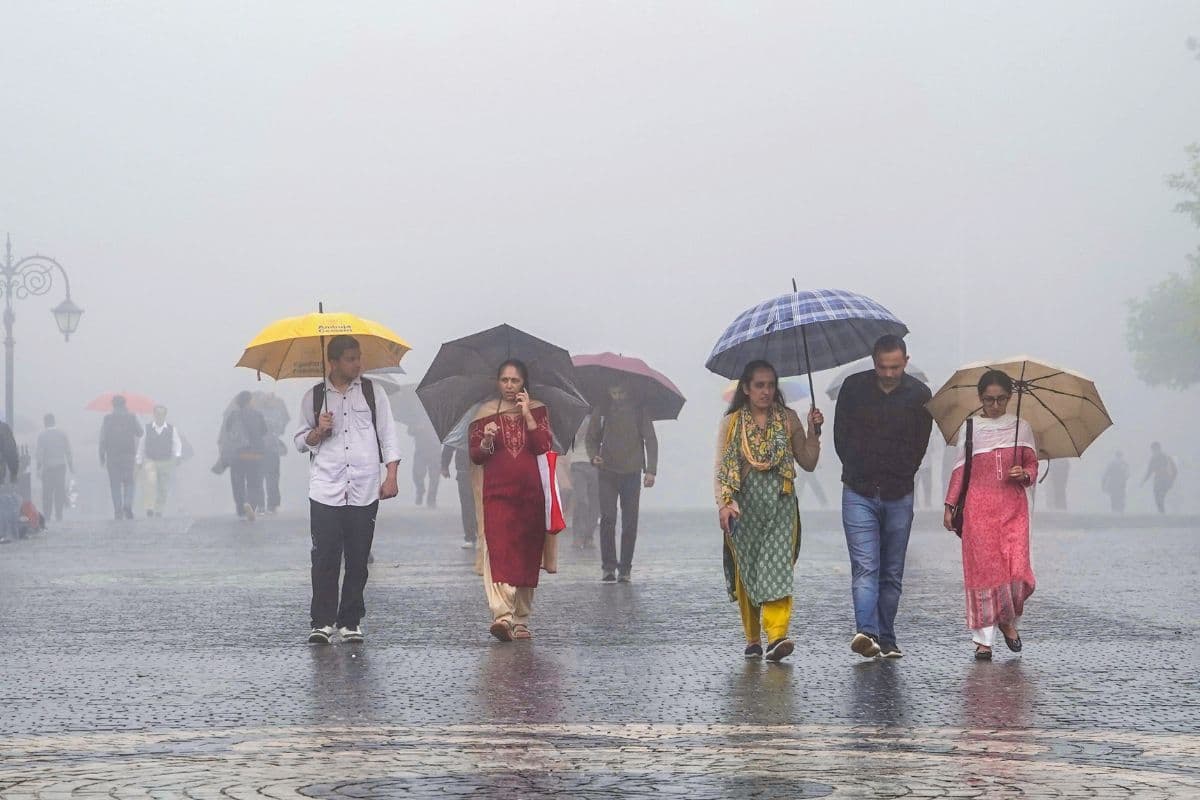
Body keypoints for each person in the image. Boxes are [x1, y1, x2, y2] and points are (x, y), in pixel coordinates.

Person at [295, 335, 400, 645]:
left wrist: (391, 475)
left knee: (357, 558)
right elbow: (301, 442)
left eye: (358, 358)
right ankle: (322, 622)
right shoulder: (313, 397)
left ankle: (350, 621)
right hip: (325, 488)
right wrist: (319, 430)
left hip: (364, 487)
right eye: (351, 359)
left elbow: (388, 435)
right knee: (324, 557)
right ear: (334, 362)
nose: (357, 364)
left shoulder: (373, 392)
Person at [716, 360, 822, 663]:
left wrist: (814, 431)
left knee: (776, 566)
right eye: (759, 385)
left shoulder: (788, 419)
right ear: (746, 389)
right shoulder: (732, 423)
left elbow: (808, 461)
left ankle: (777, 635)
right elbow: (721, 467)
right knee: (747, 569)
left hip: (780, 503)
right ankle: (752, 638)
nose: (766, 391)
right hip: (743, 506)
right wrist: (724, 503)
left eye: (771, 385)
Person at [834, 335, 932, 660]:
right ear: (873, 362)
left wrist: (903, 471)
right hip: (859, 490)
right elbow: (841, 437)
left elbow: (920, 444)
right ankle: (867, 632)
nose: (888, 374)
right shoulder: (853, 389)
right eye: (882, 367)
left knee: (891, 571)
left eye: (894, 367)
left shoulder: (920, 396)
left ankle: (887, 637)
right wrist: (855, 464)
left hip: (898, 493)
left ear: (906, 361)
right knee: (865, 566)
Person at [943, 370, 1039, 661]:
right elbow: (960, 470)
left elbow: (1033, 466)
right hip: (978, 510)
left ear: (1010, 398)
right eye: (988, 400)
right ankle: (983, 641)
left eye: (1000, 399)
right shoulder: (970, 428)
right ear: (980, 398)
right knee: (984, 573)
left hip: (1013, 508)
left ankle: (1008, 619)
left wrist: (1024, 473)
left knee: (1017, 572)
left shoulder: (1022, 427)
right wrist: (949, 506)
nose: (995, 406)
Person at [469, 359, 553, 642]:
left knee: (527, 555)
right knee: (500, 551)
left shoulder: (538, 410)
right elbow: (476, 455)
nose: (508, 386)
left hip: (531, 496)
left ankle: (521, 619)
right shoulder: (484, 414)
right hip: (497, 494)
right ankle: (502, 616)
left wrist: (527, 414)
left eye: (514, 381)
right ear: (497, 382)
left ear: (523, 384)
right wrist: (486, 440)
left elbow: (543, 445)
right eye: (504, 380)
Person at [587, 382, 658, 583]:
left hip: (632, 472)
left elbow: (650, 439)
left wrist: (650, 470)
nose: (617, 396)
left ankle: (625, 568)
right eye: (614, 392)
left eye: (621, 392)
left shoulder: (639, 410)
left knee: (629, 522)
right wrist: (594, 457)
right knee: (608, 518)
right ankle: (608, 567)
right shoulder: (602, 410)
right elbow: (591, 439)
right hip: (607, 471)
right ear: (608, 391)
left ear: (628, 390)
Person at [220, 391, 268, 521]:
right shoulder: (257, 415)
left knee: (238, 483)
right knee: (254, 483)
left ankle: (241, 508)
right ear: (248, 401)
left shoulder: (232, 415)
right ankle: (251, 505)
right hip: (254, 454)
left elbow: (228, 432)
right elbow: (264, 431)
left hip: (237, 455)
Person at [99, 395, 143, 520]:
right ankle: (127, 505)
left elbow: (102, 439)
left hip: (112, 456)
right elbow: (140, 432)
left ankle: (118, 511)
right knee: (129, 482)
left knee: (115, 484)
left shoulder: (107, 419)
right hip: (128, 455)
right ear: (125, 404)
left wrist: (101, 455)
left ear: (113, 405)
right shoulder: (131, 417)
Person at [136, 405, 182, 518]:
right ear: (154, 414)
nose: (159, 416)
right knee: (150, 483)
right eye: (157, 413)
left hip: (166, 461)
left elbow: (177, 443)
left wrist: (177, 455)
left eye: (161, 414)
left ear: (165, 415)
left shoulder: (172, 429)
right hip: (150, 460)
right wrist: (139, 459)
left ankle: (159, 509)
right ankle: (150, 507)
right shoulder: (147, 428)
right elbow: (141, 444)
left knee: (163, 487)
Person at [255, 392, 290, 515]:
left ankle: (272, 504)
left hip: (272, 449)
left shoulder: (277, 412)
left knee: (273, 477)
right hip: (260, 449)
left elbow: (281, 428)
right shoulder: (257, 412)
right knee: (260, 477)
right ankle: (260, 504)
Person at [569, 415, 600, 550]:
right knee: (582, 500)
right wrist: (580, 431)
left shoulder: (602, 417)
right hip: (578, 463)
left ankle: (589, 536)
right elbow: (569, 443)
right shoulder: (575, 416)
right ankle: (578, 535)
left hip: (596, 463)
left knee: (595, 503)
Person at [35, 413, 72, 523]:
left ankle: (47, 515)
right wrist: (71, 465)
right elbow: (68, 451)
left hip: (48, 468)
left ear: (45, 422)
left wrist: (38, 467)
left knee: (47, 492)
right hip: (61, 466)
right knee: (59, 491)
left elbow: (40, 454)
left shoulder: (42, 435)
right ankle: (59, 515)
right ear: (54, 421)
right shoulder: (62, 434)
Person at [442, 443, 477, 549]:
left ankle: (480, 533)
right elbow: (450, 445)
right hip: (464, 471)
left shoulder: (486, 426)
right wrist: (444, 465)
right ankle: (470, 536)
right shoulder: (459, 429)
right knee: (467, 505)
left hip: (482, 469)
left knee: (480, 504)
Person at [408, 419, 441, 509]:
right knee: (417, 474)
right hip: (421, 450)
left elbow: (445, 432)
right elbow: (410, 431)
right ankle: (420, 489)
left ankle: (431, 499)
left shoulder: (440, 417)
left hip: (435, 450)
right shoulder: (418, 416)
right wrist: (417, 428)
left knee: (434, 477)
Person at [1142, 442, 1178, 514]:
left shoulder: (1166, 458)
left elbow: (1175, 470)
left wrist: (1172, 480)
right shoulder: (1153, 459)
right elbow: (1149, 471)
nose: (1153, 452)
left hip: (1166, 480)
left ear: (1159, 449)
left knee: (1160, 496)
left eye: (1154, 450)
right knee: (1157, 497)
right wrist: (1143, 481)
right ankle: (1162, 513)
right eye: (1153, 451)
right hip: (1157, 480)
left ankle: (1162, 513)